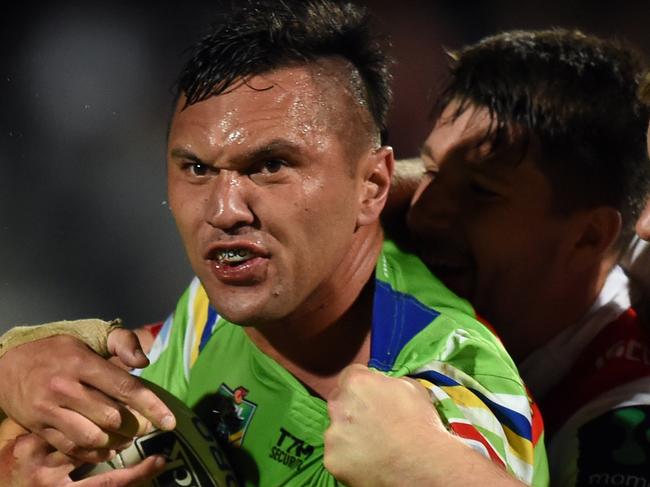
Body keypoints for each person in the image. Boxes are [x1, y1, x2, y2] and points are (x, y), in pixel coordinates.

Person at [0, 1, 547, 486]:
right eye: (196, 168)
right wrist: (17, 372)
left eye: (271, 165)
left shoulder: (448, 395)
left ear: (372, 186)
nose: (224, 211)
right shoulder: (210, 311)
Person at [327, 29, 650, 487]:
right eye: (433, 170)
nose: (427, 213)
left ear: (589, 236)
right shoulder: (402, 253)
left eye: (482, 192)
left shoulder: (624, 415)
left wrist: (426, 465)